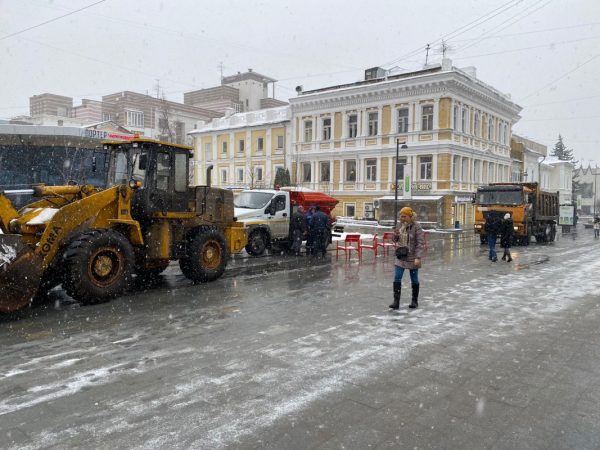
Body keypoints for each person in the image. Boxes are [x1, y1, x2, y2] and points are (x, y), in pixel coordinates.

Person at [389, 206, 426, 310]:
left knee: (414, 279)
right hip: (401, 255)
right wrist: (395, 235)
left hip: (412, 256)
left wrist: (418, 257)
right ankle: (396, 302)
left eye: (404, 216)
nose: (402, 218)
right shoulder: (399, 225)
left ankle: (414, 301)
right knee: (397, 277)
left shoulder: (416, 226)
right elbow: (394, 240)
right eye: (401, 216)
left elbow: (420, 243)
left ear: (410, 216)